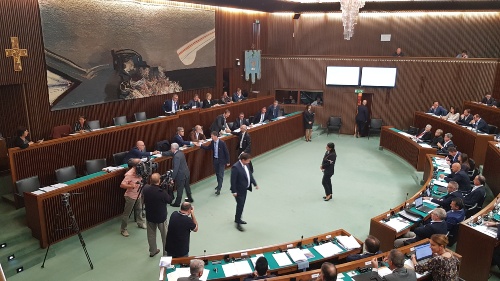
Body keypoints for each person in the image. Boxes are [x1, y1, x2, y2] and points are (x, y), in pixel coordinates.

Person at [142, 173, 172, 257]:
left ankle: (152, 251)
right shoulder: (162, 193)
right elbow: (169, 200)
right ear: (159, 181)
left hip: (150, 216)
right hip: (161, 217)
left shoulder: (146, 189)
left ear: (150, 180)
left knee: (151, 235)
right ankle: (166, 254)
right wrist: (169, 188)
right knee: (165, 236)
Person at [230, 153, 258, 232]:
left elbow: (250, 175)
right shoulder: (236, 167)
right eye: (248, 161)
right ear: (243, 160)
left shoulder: (247, 165)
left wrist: (255, 184)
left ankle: (237, 219)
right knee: (240, 206)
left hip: (244, 190)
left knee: (241, 206)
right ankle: (238, 223)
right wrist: (234, 191)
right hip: (238, 192)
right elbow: (233, 181)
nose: (249, 162)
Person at [119, 158, 146, 237]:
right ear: (135, 166)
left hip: (139, 194)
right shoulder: (130, 174)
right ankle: (123, 229)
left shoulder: (141, 171)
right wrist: (131, 186)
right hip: (130, 196)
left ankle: (140, 223)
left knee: (139, 210)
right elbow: (122, 185)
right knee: (127, 214)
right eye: (140, 163)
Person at [162, 143, 193, 207]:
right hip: (186, 173)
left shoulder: (176, 157)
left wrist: (172, 178)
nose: (170, 149)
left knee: (180, 189)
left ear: (173, 149)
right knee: (187, 186)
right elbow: (170, 153)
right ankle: (190, 198)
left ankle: (177, 203)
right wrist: (161, 153)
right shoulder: (180, 152)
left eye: (171, 148)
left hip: (181, 175)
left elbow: (176, 168)